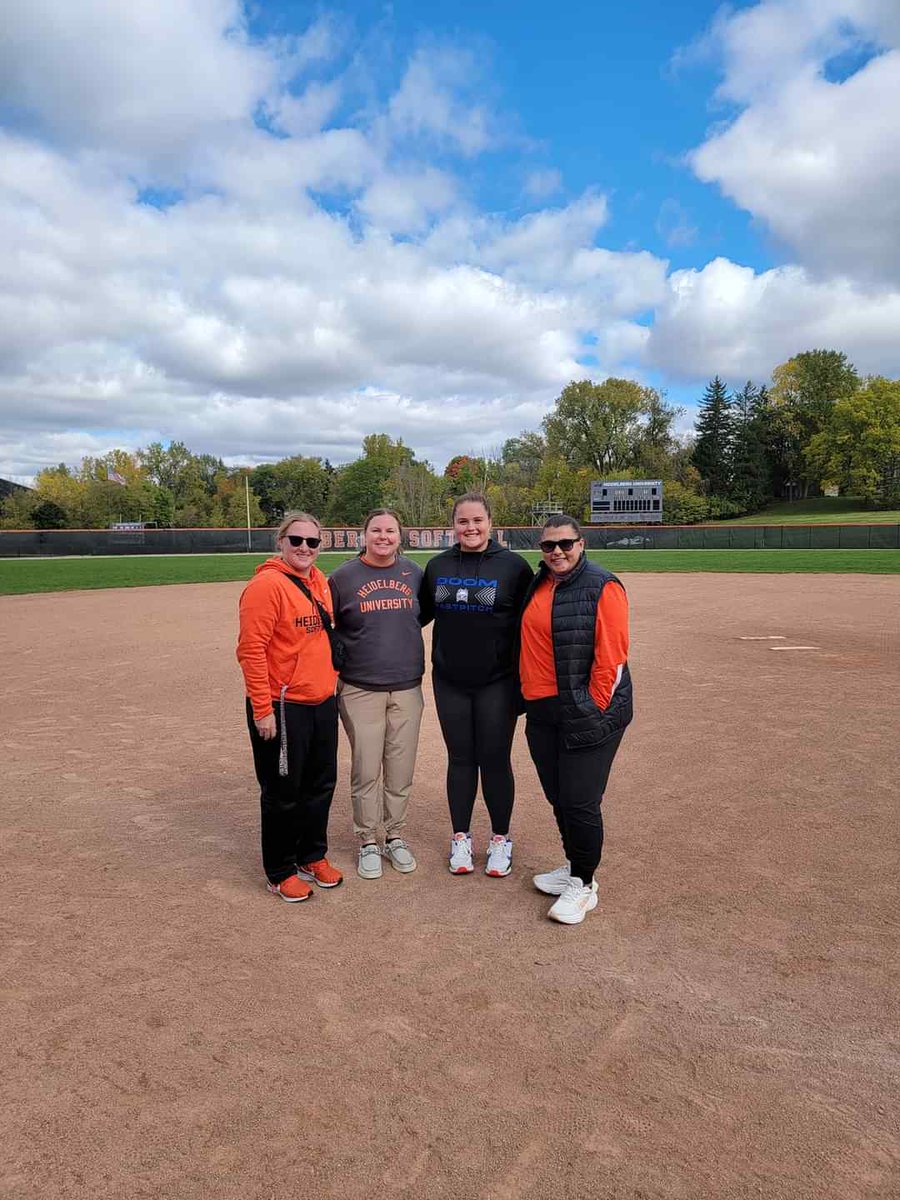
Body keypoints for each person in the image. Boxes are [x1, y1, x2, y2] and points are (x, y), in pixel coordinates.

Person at [519, 514, 633, 925]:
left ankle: (584, 884)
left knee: (581, 801)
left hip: (586, 712)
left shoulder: (603, 585)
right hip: (543, 709)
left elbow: (612, 661)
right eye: (549, 546)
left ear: (581, 544)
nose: (557, 552)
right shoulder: (541, 582)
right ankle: (573, 866)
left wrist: (590, 710)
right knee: (558, 796)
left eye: (565, 544)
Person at [419, 492, 533, 877]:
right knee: (461, 759)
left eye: (477, 521)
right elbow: (414, 616)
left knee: (495, 759)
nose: (470, 528)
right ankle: (461, 838)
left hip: (497, 682)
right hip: (450, 680)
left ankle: (500, 839)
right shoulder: (437, 567)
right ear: (453, 525)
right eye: (463, 521)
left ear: (490, 522)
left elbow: (532, 624)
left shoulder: (514, 567)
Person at [236, 511, 343, 902]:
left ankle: (311, 855)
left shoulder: (318, 581)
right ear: (281, 542)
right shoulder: (265, 586)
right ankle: (279, 870)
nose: (303, 548)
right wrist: (262, 708)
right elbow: (251, 651)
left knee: (320, 783)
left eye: (312, 542)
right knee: (283, 790)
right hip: (283, 705)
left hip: (321, 701)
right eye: (295, 540)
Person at [328, 509, 425, 880]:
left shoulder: (415, 574)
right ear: (364, 534)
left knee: (400, 769)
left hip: (406, 687)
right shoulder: (343, 577)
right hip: (359, 688)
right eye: (376, 530)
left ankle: (395, 835)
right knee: (367, 768)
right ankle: (368, 839)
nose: (383, 537)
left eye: (390, 531)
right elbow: (327, 624)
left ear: (400, 536)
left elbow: (421, 615)